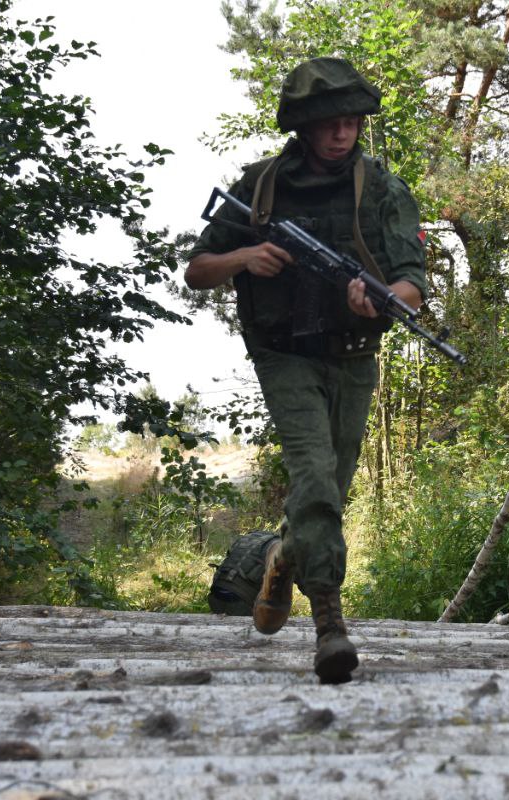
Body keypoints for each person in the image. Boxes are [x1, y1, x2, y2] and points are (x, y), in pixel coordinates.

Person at [184, 57, 427, 684]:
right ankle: (330, 626)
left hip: (352, 356)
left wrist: (383, 297)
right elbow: (197, 270)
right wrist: (244, 255)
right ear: (304, 126)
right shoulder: (262, 185)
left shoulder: (380, 188)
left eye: (350, 122)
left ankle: (277, 557)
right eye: (329, 124)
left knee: (329, 496)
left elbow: (412, 280)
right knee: (315, 478)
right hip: (285, 354)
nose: (342, 134)